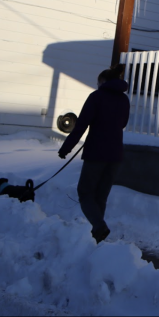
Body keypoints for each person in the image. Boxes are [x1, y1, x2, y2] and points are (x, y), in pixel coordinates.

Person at [59, 66, 130, 243]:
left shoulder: (96, 97)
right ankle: (97, 236)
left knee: (84, 192)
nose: (97, 85)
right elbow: (123, 123)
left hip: (96, 153)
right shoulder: (124, 99)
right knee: (100, 196)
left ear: (104, 82)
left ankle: (99, 227)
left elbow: (81, 125)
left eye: (98, 82)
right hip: (115, 154)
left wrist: (66, 148)